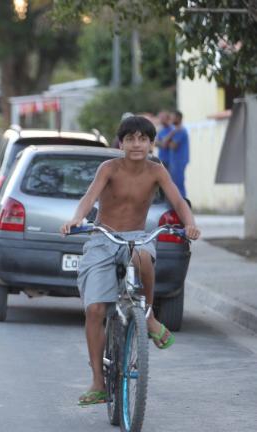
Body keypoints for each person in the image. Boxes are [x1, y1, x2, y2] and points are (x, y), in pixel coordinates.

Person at [60, 115, 200, 407]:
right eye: (130, 139)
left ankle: (147, 316)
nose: (137, 144)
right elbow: (89, 197)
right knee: (96, 309)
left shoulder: (156, 171)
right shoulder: (108, 168)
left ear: (151, 143)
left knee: (143, 258)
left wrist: (190, 224)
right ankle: (98, 381)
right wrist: (76, 219)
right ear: (120, 143)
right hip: (103, 237)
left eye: (143, 139)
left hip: (137, 235)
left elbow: (177, 201)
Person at [162, 110, 190, 198]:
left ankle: (183, 206)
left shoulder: (181, 131)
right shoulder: (176, 131)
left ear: (178, 118)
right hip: (174, 162)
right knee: (174, 185)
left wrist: (167, 141)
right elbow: (164, 143)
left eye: (173, 117)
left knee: (178, 185)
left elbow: (172, 146)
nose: (171, 119)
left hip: (179, 162)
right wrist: (173, 132)